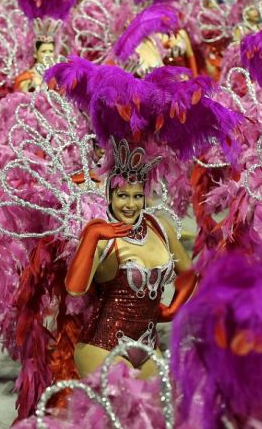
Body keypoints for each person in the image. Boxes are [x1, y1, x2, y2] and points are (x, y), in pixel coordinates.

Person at [65, 139, 197, 379]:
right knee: (115, 416)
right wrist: (91, 236)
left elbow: (189, 275)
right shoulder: (101, 234)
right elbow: (75, 288)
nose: (130, 204)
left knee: (160, 415)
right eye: (122, 195)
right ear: (109, 195)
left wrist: (174, 308)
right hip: (103, 347)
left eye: (137, 196)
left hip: (148, 345)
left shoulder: (159, 227)